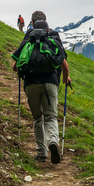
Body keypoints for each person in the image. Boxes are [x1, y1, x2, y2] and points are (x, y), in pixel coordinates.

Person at [13, 11, 71, 164]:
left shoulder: (29, 37)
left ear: (31, 22)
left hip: (31, 83)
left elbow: (15, 64)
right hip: (50, 83)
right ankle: (53, 142)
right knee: (50, 116)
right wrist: (66, 79)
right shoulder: (53, 36)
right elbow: (64, 65)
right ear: (46, 22)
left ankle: (41, 153)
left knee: (38, 118)